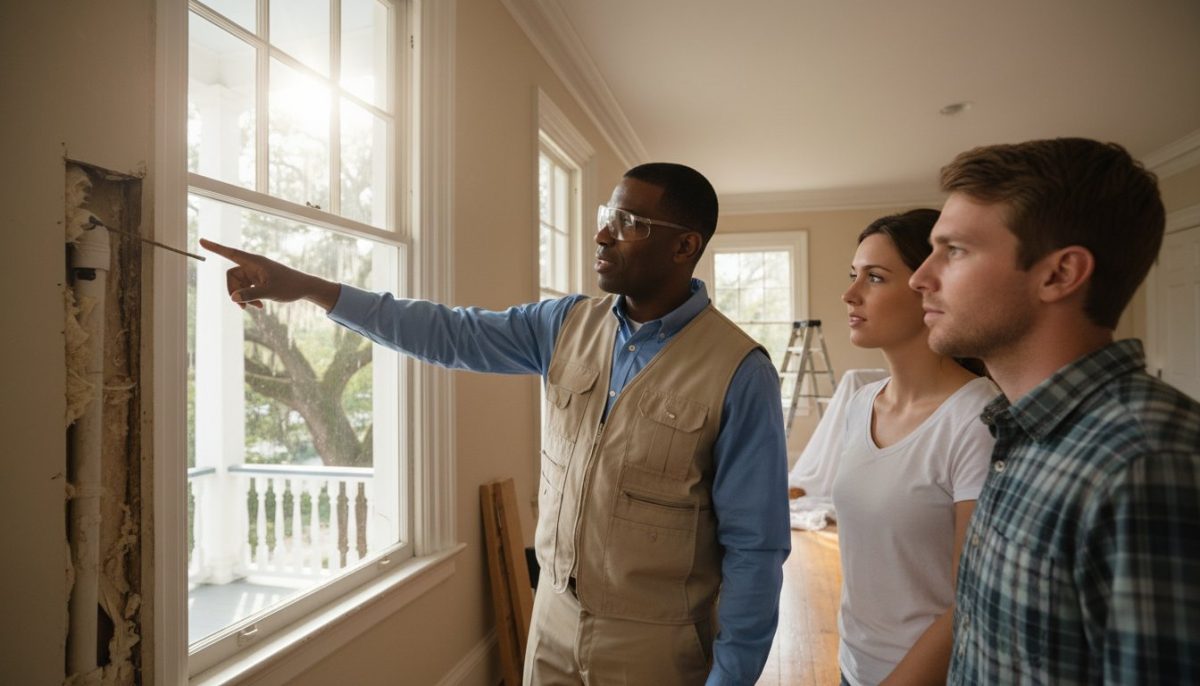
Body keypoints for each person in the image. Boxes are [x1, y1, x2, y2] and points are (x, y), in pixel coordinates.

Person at [200, 162, 791, 686]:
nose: (602, 233)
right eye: (606, 214)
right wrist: (308, 288)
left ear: (685, 245)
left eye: (630, 221)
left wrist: (732, 675)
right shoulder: (563, 325)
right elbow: (447, 332)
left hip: (656, 646)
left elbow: (755, 548)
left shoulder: (739, 371)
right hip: (553, 622)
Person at [908, 138, 1200, 683]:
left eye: (955, 250)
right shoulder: (1017, 433)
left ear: (1060, 274)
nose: (919, 278)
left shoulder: (1148, 464)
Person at [833, 209, 997, 686]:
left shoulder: (976, 418)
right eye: (853, 275)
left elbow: (971, 600)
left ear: (931, 285)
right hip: (853, 666)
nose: (850, 294)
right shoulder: (862, 404)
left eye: (876, 278)